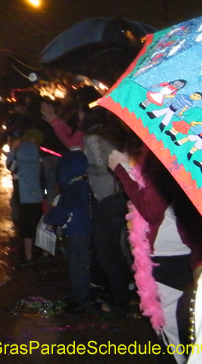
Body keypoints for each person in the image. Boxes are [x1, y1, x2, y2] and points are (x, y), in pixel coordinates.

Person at [108, 146, 202, 362]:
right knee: (191, 328)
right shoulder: (190, 147)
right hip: (190, 253)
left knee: (176, 334)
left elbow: (151, 209)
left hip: (173, 259)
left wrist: (121, 168)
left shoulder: (167, 151)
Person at [82, 107, 132, 315]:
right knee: (119, 249)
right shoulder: (112, 133)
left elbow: (102, 166)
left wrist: (84, 169)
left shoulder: (93, 138)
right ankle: (124, 292)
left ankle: (118, 300)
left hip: (109, 197)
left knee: (107, 252)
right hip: (121, 196)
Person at [43, 146, 92, 313]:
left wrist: (50, 218)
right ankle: (81, 295)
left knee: (76, 266)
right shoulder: (84, 184)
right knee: (82, 265)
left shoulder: (73, 188)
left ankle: (79, 301)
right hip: (85, 230)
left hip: (76, 232)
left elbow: (63, 211)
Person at [6, 128, 44, 266]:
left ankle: (28, 257)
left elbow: (11, 167)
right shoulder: (38, 153)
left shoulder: (19, 152)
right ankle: (42, 253)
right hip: (37, 195)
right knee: (37, 223)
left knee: (26, 226)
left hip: (24, 196)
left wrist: (12, 151)